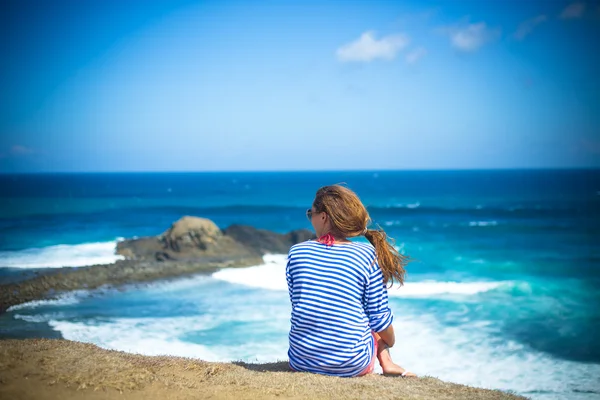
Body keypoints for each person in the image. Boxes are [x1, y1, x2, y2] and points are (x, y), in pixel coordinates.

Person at [286, 184, 416, 377]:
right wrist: (389, 342)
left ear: (323, 217)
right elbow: (379, 318)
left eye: (310, 213)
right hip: (351, 364)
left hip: (301, 360)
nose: (310, 218)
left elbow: (300, 303)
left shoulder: (296, 252)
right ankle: (387, 363)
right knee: (372, 323)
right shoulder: (366, 254)